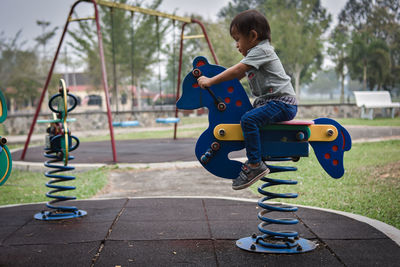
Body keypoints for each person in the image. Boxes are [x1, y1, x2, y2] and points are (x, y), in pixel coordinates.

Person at [197, 9, 297, 190]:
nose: (236, 45)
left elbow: (236, 71)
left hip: (282, 103)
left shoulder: (262, 50)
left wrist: (210, 81)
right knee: (246, 115)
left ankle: (254, 164)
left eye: (237, 39)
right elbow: (235, 79)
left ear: (252, 35)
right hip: (270, 103)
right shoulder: (256, 55)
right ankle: (259, 155)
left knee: (248, 119)